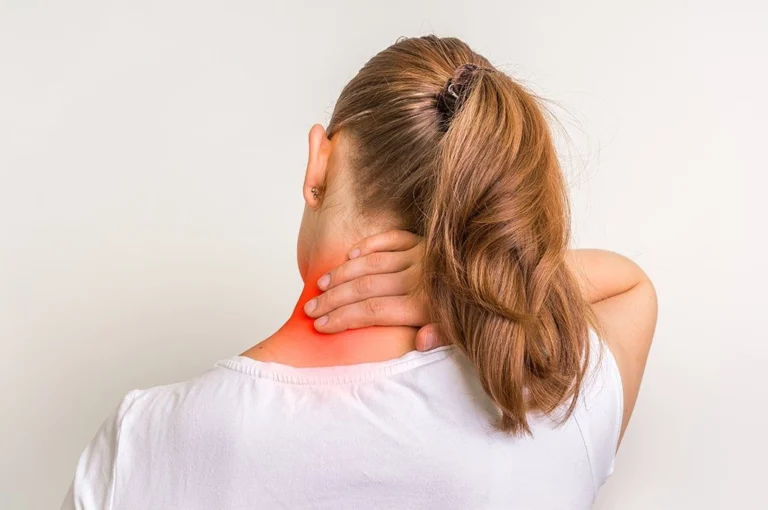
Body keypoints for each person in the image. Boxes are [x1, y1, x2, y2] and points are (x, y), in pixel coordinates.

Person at [61, 35, 656, 510]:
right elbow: (632, 289)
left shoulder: (141, 445)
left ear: (319, 163)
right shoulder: (554, 403)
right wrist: (478, 283)